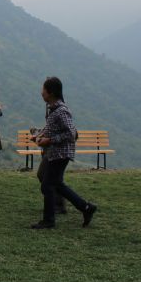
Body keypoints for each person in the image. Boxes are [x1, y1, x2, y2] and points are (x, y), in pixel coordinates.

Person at [30, 77, 97, 229]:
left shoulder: (61, 111)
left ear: (51, 92)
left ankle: (49, 221)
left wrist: (50, 140)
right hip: (55, 153)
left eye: (43, 90)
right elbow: (51, 129)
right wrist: (39, 136)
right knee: (57, 185)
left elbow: (72, 133)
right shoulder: (53, 109)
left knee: (47, 186)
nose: (41, 93)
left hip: (61, 153)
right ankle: (86, 208)